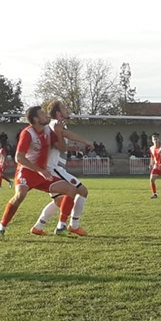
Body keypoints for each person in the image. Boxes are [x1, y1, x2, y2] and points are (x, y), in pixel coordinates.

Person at [0, 106, 79, 242]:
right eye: (42, 114)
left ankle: (61, 227)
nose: (46, 115)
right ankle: (1, 228)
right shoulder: (27, 133)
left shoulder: (47, 130)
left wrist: (58, 133)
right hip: (27, 172)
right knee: (20, 195)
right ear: (35, 119)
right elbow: (19, 158)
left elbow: (63, 149)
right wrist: (40, 170)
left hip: (43, 173)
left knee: (71, 190)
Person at [30, 100, 96, 237]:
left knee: (59, 201)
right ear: (58, 113)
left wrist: (71, 148)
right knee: (82, 191)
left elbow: (56, 145)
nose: (67, 109)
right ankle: (71, 226)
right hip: (55, 168)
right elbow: (66, 134)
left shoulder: (56, 126)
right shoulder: (55, 124)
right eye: (64, 107)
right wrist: (86, 141)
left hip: (55, 167)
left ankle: (38, 226)